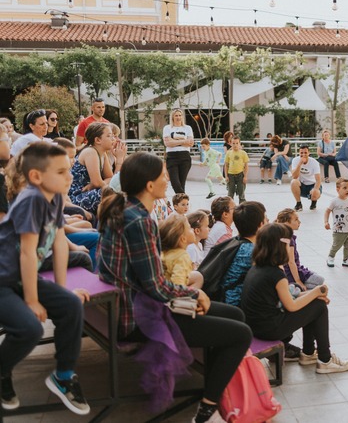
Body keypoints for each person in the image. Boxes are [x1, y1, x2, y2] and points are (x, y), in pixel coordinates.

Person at [97, 151, 252, 423]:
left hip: (133, 303)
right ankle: (207, 408)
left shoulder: (125, 209)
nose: (167, 179)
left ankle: (214, 384)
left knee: (236, 316)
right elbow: (156, 287)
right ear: (149, 185)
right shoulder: (140, 221)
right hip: (138, 316)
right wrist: (195, 292)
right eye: (163, 175)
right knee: (240, 334)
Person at [0, 142, 91, 415]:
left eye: (69, 170)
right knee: (30, 328)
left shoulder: (54, 199)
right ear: (36, 177)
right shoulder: (31, 200)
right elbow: (28, 253)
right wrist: (32, 300)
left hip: (18, 278)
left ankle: (63, 376)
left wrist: (62, 292)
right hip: (3, 281)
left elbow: (59, 243)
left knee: (71, 305)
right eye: (62, 171)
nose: (70, 176)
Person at [240, 223, 348, 374]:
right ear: (280, 247)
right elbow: (291, 306)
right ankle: (325, 360)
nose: (291, 247)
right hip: (269, 329)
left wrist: (314, 294)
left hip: (257, 326)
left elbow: (287, 298)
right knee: (319, 307)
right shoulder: (276, 274)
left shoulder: (258, 267)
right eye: (289, 243)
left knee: (315, 303)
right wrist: (317, 291)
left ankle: (308, 353)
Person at [220, 201, 267, 306]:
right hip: (238, 305)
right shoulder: (253, 251)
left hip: (227, 298)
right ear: (260, 225)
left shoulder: (234, 242)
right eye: (265, 219)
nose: (268, 221)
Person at [68, 123, 120, 215]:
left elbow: (110, 178)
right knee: (114, 193)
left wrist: (96, 184)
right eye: (109, 136)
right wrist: (97, 184)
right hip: (77, 197)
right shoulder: (91, 152)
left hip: (89, 192)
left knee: (117, 190)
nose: (113, 139)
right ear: (98, 140)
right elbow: (97, 182)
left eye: (113, 136)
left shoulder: (102, 153)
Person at [276, 208, 325, 289]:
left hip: (289, 270)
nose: (299, 222)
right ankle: (296, 286)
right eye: (296, 219)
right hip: (290, 272)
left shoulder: (281, 235)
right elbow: (291, 262)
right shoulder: (289, 239)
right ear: (286, 223)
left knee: (315, 277)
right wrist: (298, 281)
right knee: (320, 280)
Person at [159, 213, 204, 289]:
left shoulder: (166, 253)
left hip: (163, 288)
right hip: (173, 295)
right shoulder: (182, 256)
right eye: (189, 228)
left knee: (198, 277)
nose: (192, 229)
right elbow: (178, 285)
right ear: (183, 239)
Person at [324, 178, 348, 268]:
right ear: (338, 189)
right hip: (339, 229)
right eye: (344, 188)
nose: (347, 190)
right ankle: (330, 257)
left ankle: (346, 259)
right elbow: (327, 211)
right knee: (337, 245)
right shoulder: (334, 201)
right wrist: (326, 222)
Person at [163, 108, 194, 194]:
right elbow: (167, 143)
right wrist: (184, 141)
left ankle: (181, 205)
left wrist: (173, 140)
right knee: (175, 183)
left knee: (181, 183)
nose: (178, 117)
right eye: (176, 115)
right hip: (172, 157)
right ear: (172, 117)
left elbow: (191, 143)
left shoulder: (187, 128)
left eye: (180, 115)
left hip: (185, 157)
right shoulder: (167, 128)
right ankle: (184, 200)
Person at [291, 144, 322, 211]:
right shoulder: (295, 160)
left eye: (305, 152)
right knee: (293, 182)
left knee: (315, 192)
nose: (303, 154)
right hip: (302, 185)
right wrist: (299, 164)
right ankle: (298, 204)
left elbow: (318, 180)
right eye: (301, 153)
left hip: (312, 184)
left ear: (309, 153)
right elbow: (294, 176)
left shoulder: (314, 162)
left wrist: (315, 190)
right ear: (299, 153)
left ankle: (313, 202)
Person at [224, 136, 249, 204]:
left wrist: (245, 176)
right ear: (231, 143)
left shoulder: (243, 153)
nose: (235, 145)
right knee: (230, 193)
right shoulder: (228, 153)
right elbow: (226, 165)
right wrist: (226, 176)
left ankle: (242, 206)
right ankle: (229, 207)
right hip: (230, 175)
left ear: (239, 144)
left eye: (237, 143)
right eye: (233, 143)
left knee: (241, 193)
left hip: (240, 174)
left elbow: (246, 166)